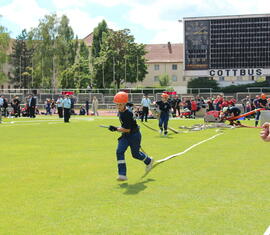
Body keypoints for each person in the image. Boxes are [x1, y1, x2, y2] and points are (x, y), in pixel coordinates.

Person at [108, 91, 154, 181]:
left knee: (135, 154)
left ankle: (149, 161)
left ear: (124, 104)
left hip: (134, 135)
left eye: (120, 105)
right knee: (119, 151)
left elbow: (127, 129)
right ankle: (122, 174)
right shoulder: (124, 108)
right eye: (117, 104)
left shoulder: (128, 113)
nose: (118, 107)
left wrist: (115, 129)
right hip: (125, 135)